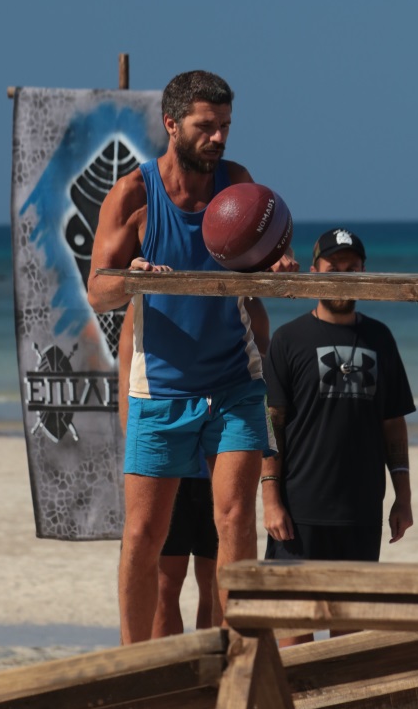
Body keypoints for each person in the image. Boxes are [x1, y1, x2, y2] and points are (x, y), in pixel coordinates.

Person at [87, 69, 295, 644]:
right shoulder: (134, 194)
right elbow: (98, 291)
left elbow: (263, 264)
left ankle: (238, 658)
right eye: (206, 126)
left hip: (234, 382)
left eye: (225, 125)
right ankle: (134, 665)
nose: (219, 137)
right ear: (172, 124)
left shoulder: (238, 186)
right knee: (143, 536)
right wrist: (131, 278)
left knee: (236, 519)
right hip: (161, 389)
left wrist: (277, 266)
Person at [262, 225, 415, 709]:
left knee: (351, 627)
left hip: (360, 509)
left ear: (364, 272)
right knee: (295, 627)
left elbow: (393, 424)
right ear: (315, 272)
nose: (343, 276)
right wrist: (270, 498)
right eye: (334, 268)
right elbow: (272, 425)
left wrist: (403, 496)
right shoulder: (288, 340)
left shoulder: (380, 338)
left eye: (352, 268)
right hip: (298, 511)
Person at [116, 295, 272, 638]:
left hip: (219, 462)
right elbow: (127, 380)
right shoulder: (145, 305)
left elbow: (260, 380)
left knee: (213, 578)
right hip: (172, 461)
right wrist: (142, 449)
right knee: (166, 582)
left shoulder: (249, 304)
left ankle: (220, 661)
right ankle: (162, 666)